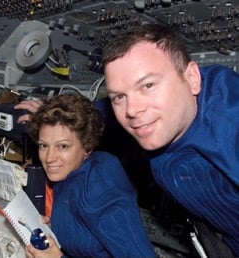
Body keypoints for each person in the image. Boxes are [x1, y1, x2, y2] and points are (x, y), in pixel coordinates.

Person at [15, 24, 239, 256]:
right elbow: (97, 113)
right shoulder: (149, 118)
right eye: (120, 96)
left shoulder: (229, 120)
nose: (132, 110)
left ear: (192, 78)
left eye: (148, 85)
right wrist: (51, 113)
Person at [24, 93, 155, 258]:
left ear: (87, 146)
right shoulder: (68, 173)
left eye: (63, 146)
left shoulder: (100, 189)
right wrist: (53, 228)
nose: (49, 158)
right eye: (43, 146)